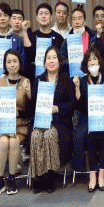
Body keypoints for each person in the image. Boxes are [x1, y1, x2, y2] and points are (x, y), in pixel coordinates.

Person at [30, 45, 75, 194]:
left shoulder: (66, 81)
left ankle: (51, 175)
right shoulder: (38, 80)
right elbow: (33, 104)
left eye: (54, 58)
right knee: (36, 135)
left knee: (50, 135)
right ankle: (39, 176)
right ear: (44, 62)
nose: (51, 61)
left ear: (59, 62)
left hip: (60, 122)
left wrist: (58, 108)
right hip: (41, 120)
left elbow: (71, 104)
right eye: (48, 58)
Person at [73, 46, 104, 192]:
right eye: (89, 60)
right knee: (89, 134)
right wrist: (77, 88)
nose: (92, 62)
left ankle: (102, 174)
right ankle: (92, 174)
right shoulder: (82, 81)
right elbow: (79, 106)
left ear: (99, 61)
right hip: (87, 116)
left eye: (95, 59)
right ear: (86, 64)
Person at [0, 49, 32, 196]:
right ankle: (0, 180)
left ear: (20, 63)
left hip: (20, 125)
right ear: (5, 64)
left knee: (13, 142)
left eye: (15, 61)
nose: (12, 65)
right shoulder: (0, 82)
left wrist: (29, 94)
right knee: (3, 142)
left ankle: (12, 179)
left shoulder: (26, 81)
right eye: (9, 62)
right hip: (3, 125)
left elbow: (31, 110)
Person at [24, 2, 63, 80]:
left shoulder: (58, 38)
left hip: (54, 79)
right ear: (37, 17)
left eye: (46, 13)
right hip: (34, 78)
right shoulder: (32, 36)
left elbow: (61, 61)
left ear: (51, 17)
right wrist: (25, 30)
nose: (43, 16)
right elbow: (28, 57)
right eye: (41, 13)